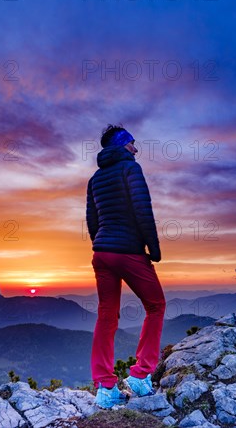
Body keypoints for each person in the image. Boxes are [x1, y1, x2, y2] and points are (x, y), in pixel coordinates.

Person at [86, 124, 166, 409]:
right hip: (128, 251)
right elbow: (143, 210)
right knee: (156, 306)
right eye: (132, 142)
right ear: (122, 145)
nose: (136, 147)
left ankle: (105, 388)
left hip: (102, 253)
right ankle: (141, 376)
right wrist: (153, 250)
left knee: (106, 316)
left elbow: (92, 221)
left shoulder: (94, 179)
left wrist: (103, 244)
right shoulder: (131, 170)